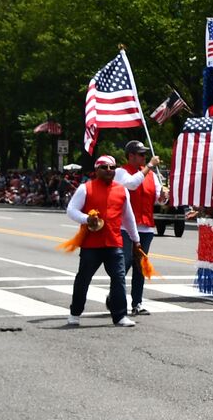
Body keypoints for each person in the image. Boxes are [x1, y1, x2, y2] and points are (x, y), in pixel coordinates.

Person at [64, 155, 140, 327]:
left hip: (114, 242)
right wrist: (85, 219)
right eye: (104, 167)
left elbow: (129, 218)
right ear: (96, 170)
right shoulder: (86, 188)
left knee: (119, 278)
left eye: (112, 167)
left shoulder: (122, 190)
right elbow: (71, 209)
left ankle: (120, 315)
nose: (108, 170)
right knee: (83, 278)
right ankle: (75, 313)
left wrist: (136, 239)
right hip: (91, 244)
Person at [113, 140, 161, 316]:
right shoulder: (120, 172)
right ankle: (116, 297)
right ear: (131, 156)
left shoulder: (151, 175)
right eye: (140, 154)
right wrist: (149, 166)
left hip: (145, 227)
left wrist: (164, 196)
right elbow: (132, 184)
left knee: (140, 266)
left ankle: (137, 303)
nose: (144, 157)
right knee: (123, 264)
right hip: (125, 227)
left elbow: (157, 200)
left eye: (144, 154)